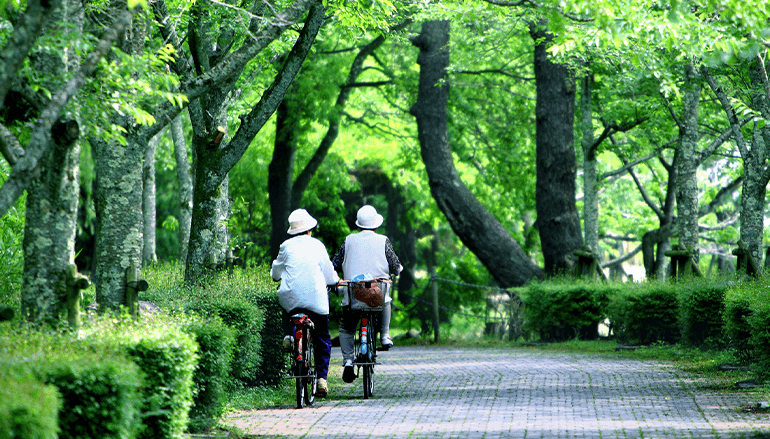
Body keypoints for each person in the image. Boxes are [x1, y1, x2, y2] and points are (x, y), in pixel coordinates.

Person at [271, 208, 339, 397]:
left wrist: (276, 276)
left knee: (288, 304)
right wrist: (334, 281)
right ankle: (322, 379)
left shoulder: (285, 246)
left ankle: (289, 336)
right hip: (316, 299)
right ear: (309, 229)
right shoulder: (318, 245)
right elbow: (328, 272)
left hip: (292, 300)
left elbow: (276, 272)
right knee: (323, 337)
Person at [332, 204, 403, 383]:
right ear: (376, 225)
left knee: (347, 327)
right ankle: (385, 335)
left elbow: (335, 263)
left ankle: (348, 360)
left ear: (358, 225)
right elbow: (395, 266)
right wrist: (396, 271)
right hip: (376, 294)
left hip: (353, 295)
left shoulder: (348, 240)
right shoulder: (383, 240)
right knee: (386, 300)